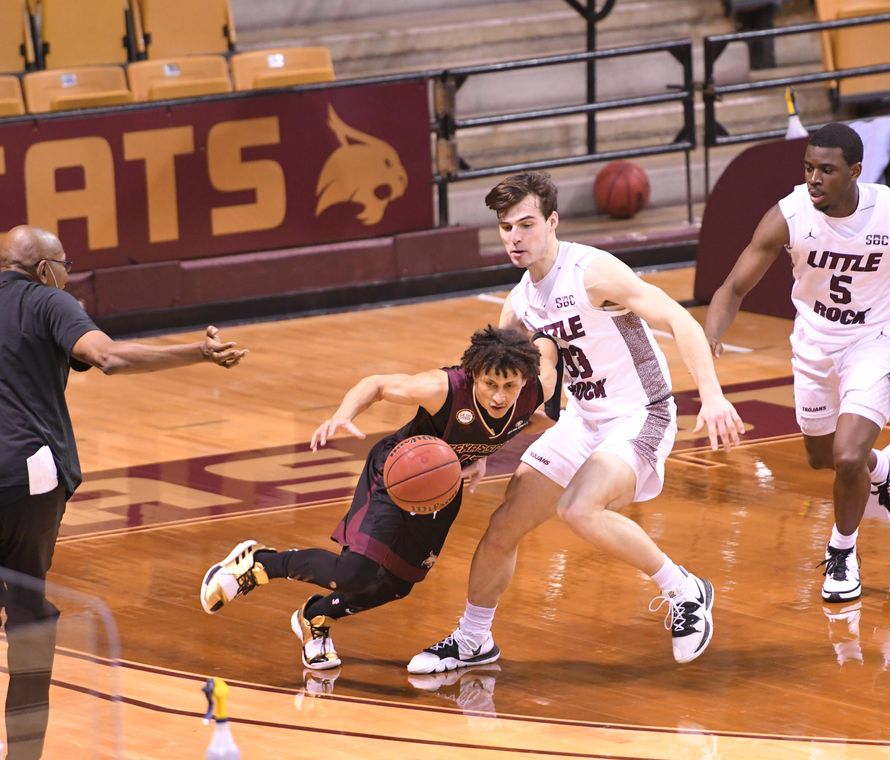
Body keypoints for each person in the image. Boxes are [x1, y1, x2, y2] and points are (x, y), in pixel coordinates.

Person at [407, 170, 745, 675]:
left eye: (526, 224)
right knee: (503, 526)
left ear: (552, 221)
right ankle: (474, 639)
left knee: (579, 508)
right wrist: (476, 449)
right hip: (584, 420)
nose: (515, 238)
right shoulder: (519, 303)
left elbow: (682, 321)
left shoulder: (592, 272)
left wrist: (713, 396)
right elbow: (499, 387)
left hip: (640, 413)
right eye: (506, 228)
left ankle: (684, 590)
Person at [0, 225, 248, 759]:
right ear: (45, 270)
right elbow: (108, 357)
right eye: (66, 266)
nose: (69, 278)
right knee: (27, 619)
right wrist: (197, 354)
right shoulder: (48, 301)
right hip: (28, 481)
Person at [703, 122, 890, 603]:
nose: (813, 179)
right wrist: (711, 336)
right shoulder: (788, 216)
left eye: (826, 170)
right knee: (823, 458)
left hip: (875, 339)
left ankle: (843, 553)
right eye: (808, 168)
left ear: (855, 172)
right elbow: (733, 287)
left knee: (847, 456)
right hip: (813, 342)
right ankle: (888, 469)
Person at [199, 326, 561, 674]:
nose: (499, 396)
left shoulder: (535, 390)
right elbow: (376, 384)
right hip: (397, 473)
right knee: (354, 572)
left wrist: (482, 450)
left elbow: (533, 407)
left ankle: (317, 617)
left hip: (442, 486)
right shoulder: (441, 388)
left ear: (525, 381)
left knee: (397, 584)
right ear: (473, 375)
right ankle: (259, 563)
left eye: (509, 386)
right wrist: (343, 415)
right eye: (490, 385)